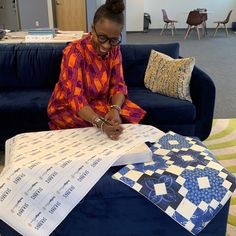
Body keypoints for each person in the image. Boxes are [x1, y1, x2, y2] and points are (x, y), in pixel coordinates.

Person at [47, 0, 146, 140]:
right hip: (68, 106)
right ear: (92, 29)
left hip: (98, 102)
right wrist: (100, 123)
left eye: (113, 40)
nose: (106, 46)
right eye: (101, 37)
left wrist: (115, 109)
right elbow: (75, 97)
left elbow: (118, 84)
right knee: (105, 129)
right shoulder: (74, 52)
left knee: (126, 115)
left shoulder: (115, 50)